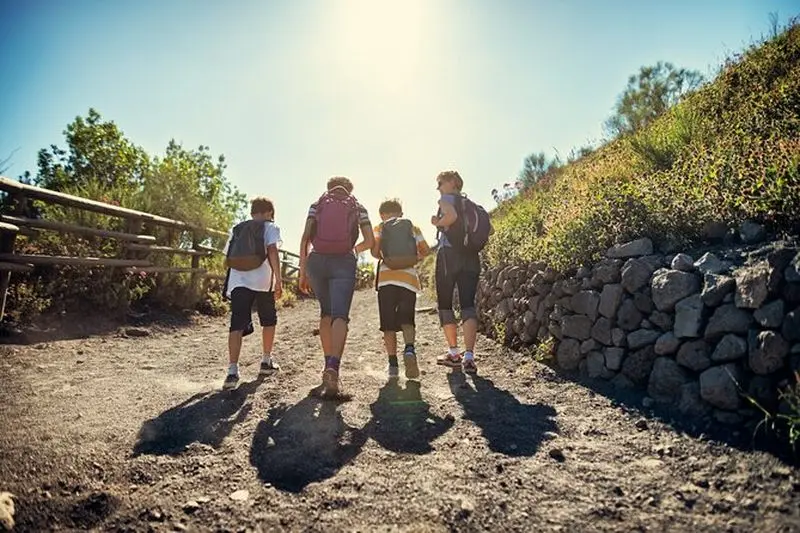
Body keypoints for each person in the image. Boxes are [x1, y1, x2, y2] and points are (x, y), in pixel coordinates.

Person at [298, 176, 374, 398]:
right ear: (350, 190)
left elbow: (305, 239)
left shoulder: (317, 205)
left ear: (328, 189)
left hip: (316, 261)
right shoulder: (358, 206)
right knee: (340, 316)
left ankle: (326, 364)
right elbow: (370, 241)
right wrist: (354, 250)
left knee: (326, 313)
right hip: (343, 260)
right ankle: (334, 367)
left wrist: (303, 271)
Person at [221, 197, 283, 390]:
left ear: (252, 212)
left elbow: (227, 256)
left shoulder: (238, 228)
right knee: (268, 320)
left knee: (236, 324)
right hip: (263, 282)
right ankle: (266, 361)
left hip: (239, 281)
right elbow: (272, 251)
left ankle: (232, 371)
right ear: (269, 213)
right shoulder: (270, 227)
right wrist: (279, 280)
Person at [369, 199, 430, 379]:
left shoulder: (379, 227)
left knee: (387, 323)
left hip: (386, 280)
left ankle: (393, 366)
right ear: (401, 213)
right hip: (408, 280)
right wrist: (413, 258)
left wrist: (385, 257)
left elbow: (374, 252)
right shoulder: (413, 227)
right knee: (407, 318)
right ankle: (410, 350)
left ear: (382, 214)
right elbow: (425, 250)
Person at [430, 170, 480, 374]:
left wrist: (437, 222)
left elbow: (451, 216)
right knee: (468, 303)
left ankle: (453, 354)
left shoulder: (445, 199)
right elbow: (489, 230)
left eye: (440, 182)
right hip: (470, 255)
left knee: (445, 304)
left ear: (452, 182)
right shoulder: (471, 204)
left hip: (448, 255)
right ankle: (469, 356)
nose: (438, 187)